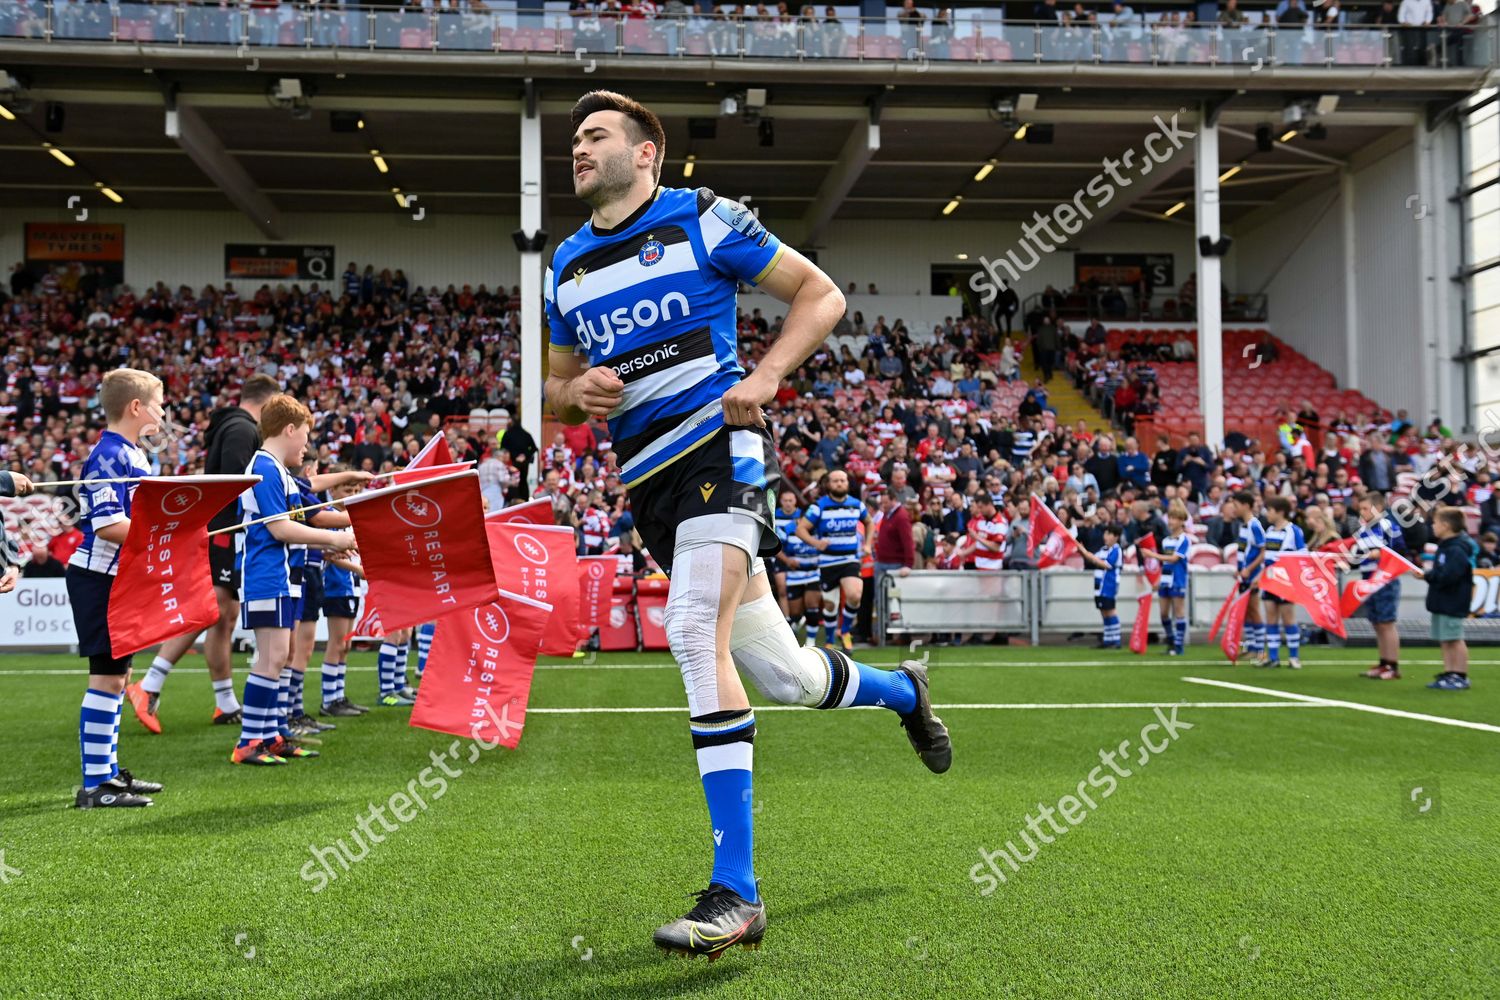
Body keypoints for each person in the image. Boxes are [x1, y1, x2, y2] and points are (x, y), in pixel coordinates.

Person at [543, 90, 950, 959]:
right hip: (648, 486)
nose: (576, 148)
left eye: (594, 135)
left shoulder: (702, 218)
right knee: (791, 677)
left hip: (721, 455)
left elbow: (821, 296)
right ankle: (906, 691)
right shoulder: (567, 265)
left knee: (693, 633)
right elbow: (550, 394)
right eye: (572, 138)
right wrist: (575, 394)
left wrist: (764, 377)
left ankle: (738, 893)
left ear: (647, 151)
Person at [127, 373, 282, 734]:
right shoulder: (243, 431)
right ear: (266, 401)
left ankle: (224, 702)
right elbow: (234, 484)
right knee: (210, 609)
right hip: (225, 532)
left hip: (222, 531)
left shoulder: (232, 427)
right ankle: (148, 685)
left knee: (223, 614)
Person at [231, 394, 355, 765]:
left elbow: (305, 503)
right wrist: (336, 538)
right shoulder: (266, 468)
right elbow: (280, 528)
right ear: (289, 430)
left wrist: (348, 481)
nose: (305, 446)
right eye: (303, 436)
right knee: (271, 659)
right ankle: (249, 742)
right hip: (267, 576)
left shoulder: (277, 470)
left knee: (279, 657)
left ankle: (271, 735)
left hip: (283, 576)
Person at [64, 369, 168, 808]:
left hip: (116, 579)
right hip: (98, 577)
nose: (164, 414)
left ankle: (107, 774)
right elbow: (109, 525)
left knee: (119, 676)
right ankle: (95, 786)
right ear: (136, 408)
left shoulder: (128, 453)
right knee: (107, 678)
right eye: (159, 405)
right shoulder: (110, 455)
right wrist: (167, 536)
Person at [797, 469, 871, 650]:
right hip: (827, 562)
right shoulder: (819, 506)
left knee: (855, 595)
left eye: (843, 480)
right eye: (836, 481)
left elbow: (870, 522)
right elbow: (801, 530)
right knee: (830, 605)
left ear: (848, 483)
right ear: (828, 484)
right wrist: (815, 542)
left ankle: (844, 631)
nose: (840, 483)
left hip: (849, 559)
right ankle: (830, 641)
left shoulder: (856, 505)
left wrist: (868, 544)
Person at [319, 474, 369, 717]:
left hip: (351, 586)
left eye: (357, 490)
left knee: (346, 644)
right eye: (348, 490)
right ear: (333, 491)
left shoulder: (349, 518)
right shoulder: (329, 516)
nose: (353, 495)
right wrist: (358, 569)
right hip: (336, 587)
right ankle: (329, 700)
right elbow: (331, 556)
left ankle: (339, 696)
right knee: (337, 643)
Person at [1352, 491, 1408, 680]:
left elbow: (1399, 550)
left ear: (1378, 508)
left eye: (1365, 508)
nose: (1362, 512)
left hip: (1385, 580)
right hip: (1369, 580)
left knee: (1386, 623)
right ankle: (1384, 662)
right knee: (1377, 623)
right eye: (1360, 509)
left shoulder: (1387, 525)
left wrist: (1380, 553)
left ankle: (1393, 665)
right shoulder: (1363, 529)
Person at [1416, 507, 1473, 689]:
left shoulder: (1456, 549)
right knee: (1445, 639)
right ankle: (1449, 673)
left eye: (1436, 522)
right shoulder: (1445, 546)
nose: (1433, 526)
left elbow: (1449, 575)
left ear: (1446, 525)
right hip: (1442, 600)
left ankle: (1460, 675)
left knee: (1454, 638)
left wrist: (1427, 575)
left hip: (1453, 600)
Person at [1259, 496, 1305, 669]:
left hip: (1285, 581)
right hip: (1270, 579)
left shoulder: (1294, 531)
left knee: (1288, 617)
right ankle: (1273, 657)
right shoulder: (1269, 530)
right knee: (1270, 616)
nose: (1267, 514)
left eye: (1269, 510)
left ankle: (1294, 657)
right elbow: (1265, 554)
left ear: (1280, 512)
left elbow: (1302, 554)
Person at [1225, 490, 1268, 664]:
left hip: (1253, 575)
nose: (1233, 509)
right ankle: (1251, 647)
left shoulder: (1254, 525)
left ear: (1245, 506)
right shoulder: (1243, 525)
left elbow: (1264, 551)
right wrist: (1239, 568)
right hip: (1245, 575)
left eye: (1235, 505)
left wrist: (1249, 569)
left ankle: (1261, 650)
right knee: (1248, 611)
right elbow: (1245, 551)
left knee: (1254, 609)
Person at [1078, 523, 1123, 649]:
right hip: (1099, 586)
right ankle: (1108, 639)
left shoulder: (1116, 550)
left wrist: (1086, 553)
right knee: (1104, 612)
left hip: (1109, 585)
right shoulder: (1103, 549)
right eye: (1105, 533)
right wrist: (1083, 551)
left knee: (1110, 611)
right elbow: (1092, 559)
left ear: (1116, 537)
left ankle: (1116, 639)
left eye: (1109, 534)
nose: (1106, 536)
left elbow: (1106, 565)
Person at [1156, 507, 1192, 656]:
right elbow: (1166, 562)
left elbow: (1174, 558)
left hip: (1177, 578)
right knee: (1164, 613)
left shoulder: (1184, 539)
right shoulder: (1166, 540)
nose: (1171, 521)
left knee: (1179, 612)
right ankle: (1171, 640)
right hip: (1165, 578)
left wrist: (1153, 555)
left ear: (1182, 521)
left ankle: (1178, 646)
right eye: (1170, 518)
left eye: (1174, 518)